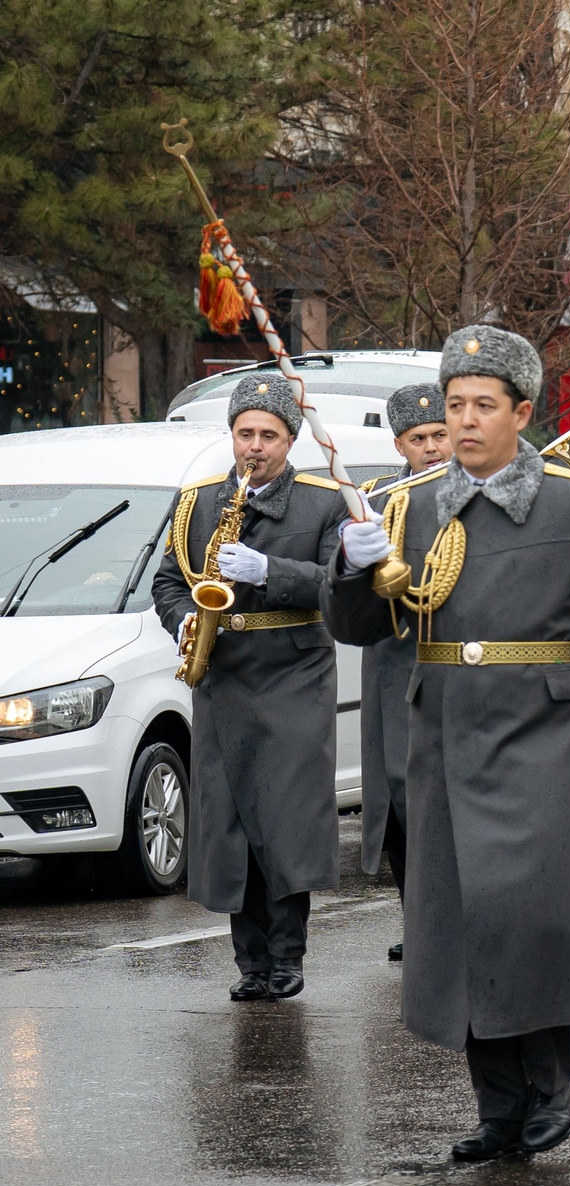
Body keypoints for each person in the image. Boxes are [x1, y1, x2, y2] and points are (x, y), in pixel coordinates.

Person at [328, 326, 570, 1160]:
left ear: (522, 411)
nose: (465, 420)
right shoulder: (411, 506)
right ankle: (496, 1104)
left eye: (483, 405)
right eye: (454, 405)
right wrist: (353, 566)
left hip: (541, 733)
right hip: (443, 734)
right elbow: (364, 625)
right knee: (460, 916)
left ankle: (550, 1084)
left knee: (531, 912)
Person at [151, 374, 349, 1003]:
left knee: (285, 820)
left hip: (294, 676)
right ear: (231, 436)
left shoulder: (324, 503)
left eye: (268, 435)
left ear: (291, 441)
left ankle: (287, 956)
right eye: (244, 434)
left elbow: (339, 588)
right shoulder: (196, 503)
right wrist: (184, 619)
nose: (254, 446)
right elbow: (167, 581)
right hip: (224, 676)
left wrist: (270, 571)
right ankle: (251, 962)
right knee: (231, 822)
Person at [359, 382, 451, 963]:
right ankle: (416, 919)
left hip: (452, 661)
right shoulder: (377, 498)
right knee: (397, 801)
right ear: (399, 445)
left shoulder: (477, 493)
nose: (432, 448)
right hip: (392, 663)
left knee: (446, 798)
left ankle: (454, 923)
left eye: (440, 434)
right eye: (418, 439)